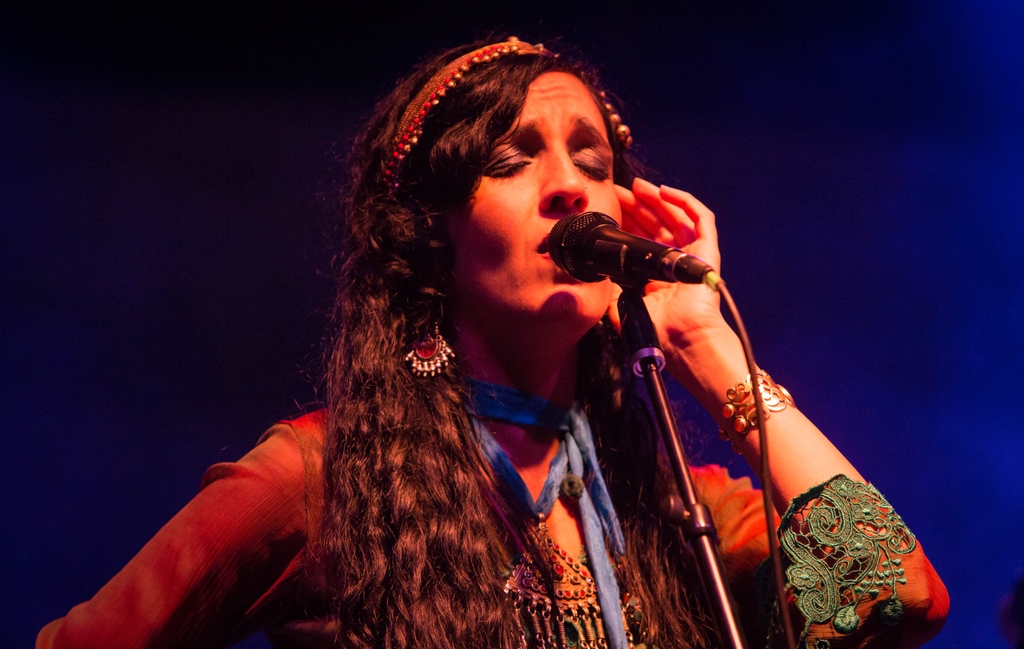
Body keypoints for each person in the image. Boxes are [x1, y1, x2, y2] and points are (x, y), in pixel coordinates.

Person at [38, 36, 949, 649]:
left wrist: (706, 342)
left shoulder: (680, 512)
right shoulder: (318, 481)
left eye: (594, 164)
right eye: (513, 162)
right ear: (432, 238)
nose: (570, 191)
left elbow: (896, 592)